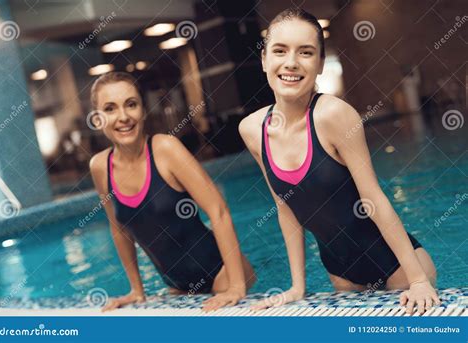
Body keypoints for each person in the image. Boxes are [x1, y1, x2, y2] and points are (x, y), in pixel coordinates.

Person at [239, 8, 439, 314]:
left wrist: (418, 281)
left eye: (306, 52)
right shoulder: (252, 130)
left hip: (398, 268)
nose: (291, 62)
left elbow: (373, 198)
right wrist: (297, 287)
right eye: (280, 50)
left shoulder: (334, 115)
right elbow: (285, 207)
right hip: (341, 276)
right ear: (264, 59)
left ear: (319, 64)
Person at [88, 72, 255, 312]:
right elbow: (119, 229)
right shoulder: (100, 167)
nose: (123, 117)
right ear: (97, 118)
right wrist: (137, 289)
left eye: (131, 104)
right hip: (178, 287)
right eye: (110, 109)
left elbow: (218, 211)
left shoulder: (165, 149)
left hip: (223, 273)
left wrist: (236, 286)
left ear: (143, 110)